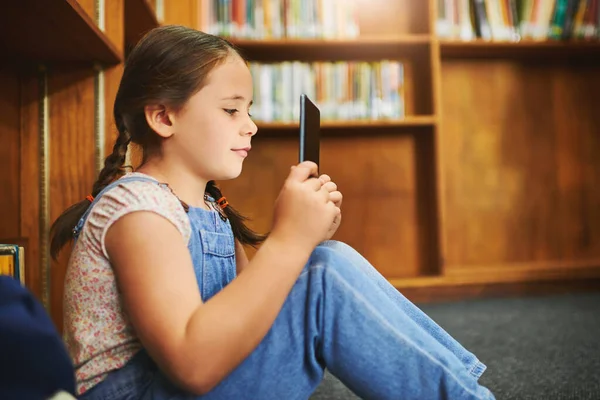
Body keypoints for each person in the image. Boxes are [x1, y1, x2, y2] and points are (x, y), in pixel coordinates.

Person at [50, 25, 495, 400]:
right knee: (323, 273)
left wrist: (304, 242)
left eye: (249, 110)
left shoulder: (209, 210)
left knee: (323, 263)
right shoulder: (138, 211)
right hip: (148, 389)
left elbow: (245, 324)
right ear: (164, 118)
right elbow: (192, 363)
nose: (251, 125)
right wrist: (291, 242)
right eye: (231, 110)